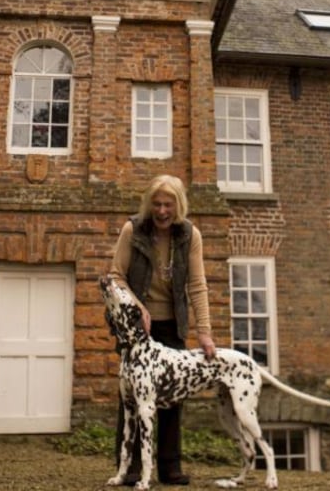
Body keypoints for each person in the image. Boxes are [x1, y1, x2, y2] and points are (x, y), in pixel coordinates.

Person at [109, 174, 216, 486]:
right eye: (156, 204)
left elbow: (197, 285)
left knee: (172, 397)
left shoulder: (189, 235)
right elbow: (116, 276)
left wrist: (204, 331)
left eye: (168, 204)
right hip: (137, 332)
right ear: (148, 205)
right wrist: (136, 304)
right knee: (131, 398)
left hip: (173, 325)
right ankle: (129, 468)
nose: (162, 211)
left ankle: (170, 466)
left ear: (178, 206)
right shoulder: (133, 229)